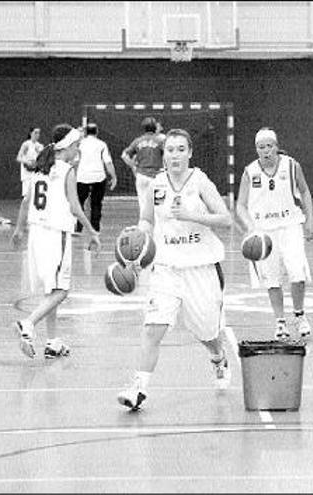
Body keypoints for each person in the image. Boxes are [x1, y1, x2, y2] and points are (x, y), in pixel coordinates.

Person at [116, 128, 235, 411]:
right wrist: (138, 239)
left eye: (181, 149)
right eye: (170, 150)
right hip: (166, 268)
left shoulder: (200, 181)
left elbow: (226, 219)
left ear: (190, 153)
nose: (175, 154)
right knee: (152, 330)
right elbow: (146, 220)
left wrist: (191, 215)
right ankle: (138, 388)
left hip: (201, 268)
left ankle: (218, 357)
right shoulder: (155, 185)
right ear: (164, 154)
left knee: (206, 332)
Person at [10, 123, 102, 359]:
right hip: (55, 235)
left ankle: (53, 342)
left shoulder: (41, 169)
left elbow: (24, 202)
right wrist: (91, 230)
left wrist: (19, 230)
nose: (78, 151)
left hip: (36, 235)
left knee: (50, 291)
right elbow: (74, 206)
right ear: (69, 146)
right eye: (76, 146)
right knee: (62, 291)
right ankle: (28, 323)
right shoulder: (67, 170)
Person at [235, 128, 313, 340]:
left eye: (269, 146)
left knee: (297, 273)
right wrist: (250, 228)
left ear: (277, 146)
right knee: (272, 279)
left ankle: (299, 315)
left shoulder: (291, 166)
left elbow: (305, 191)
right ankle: (280, 322)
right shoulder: (250, 171)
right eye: (261, 147)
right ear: (256, 150)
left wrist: (311, 219)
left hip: (290, 225)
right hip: (264, 232)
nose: (266, 151)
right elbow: (241, 206)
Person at [75, 123, 117, 234]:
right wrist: (113, 177)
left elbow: (75, 160)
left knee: (79, 202)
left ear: (86, 132)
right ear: (96, 132)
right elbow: (108, 162)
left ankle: (78, 228)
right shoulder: (101, 144)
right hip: (98, 177)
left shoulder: (80, 144)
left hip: (82, 177)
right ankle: (95, 228)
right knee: (96, 203)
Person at [121, 116, 165, 215]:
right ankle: (159, 229)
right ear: (155, 127)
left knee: (143, 206)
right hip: (157, 176)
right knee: (160, 206)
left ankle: (145, 228)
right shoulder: (160, 141)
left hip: (141, 175)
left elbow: (124, 155)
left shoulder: (138, 141)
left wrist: (133, 166)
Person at [16, 127, 45, 199]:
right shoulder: (26, 144)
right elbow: (18, 158)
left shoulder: (40, 146)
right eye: (35, 132)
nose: (37, 135)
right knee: (26, 196)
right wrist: (27, 162)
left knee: (35, 195)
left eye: (38, 133)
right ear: (30, 133)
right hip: (27, 174)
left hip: (36, 174)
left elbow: (43, 160)